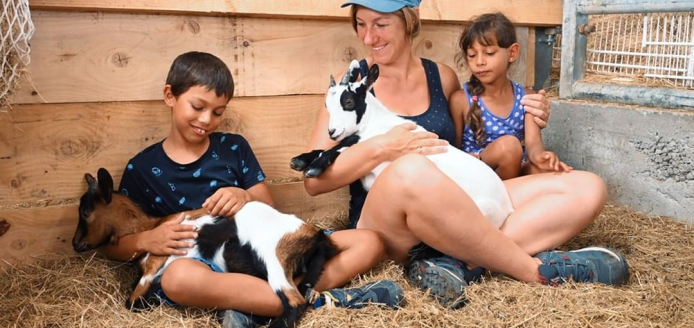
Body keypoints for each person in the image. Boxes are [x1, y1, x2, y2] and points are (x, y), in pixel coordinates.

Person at [303, 0, 629, 309]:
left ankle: (459, 263)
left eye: (381, 24)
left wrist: (535, 116)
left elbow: (464, 148)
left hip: (454, 205)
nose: (369, 36)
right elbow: (312, 181)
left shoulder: (441, 77)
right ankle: (533, 271)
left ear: (408, 21)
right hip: (390, 220)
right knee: (409, 169)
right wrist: (384, 148)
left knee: (587, 188)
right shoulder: (351, 89)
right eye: (360, 24)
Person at [103, 51, 403, 328]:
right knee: (179, 279)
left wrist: (244, 196)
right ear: (170, 96)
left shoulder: (233, 148)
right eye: (198, 107)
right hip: (201, 261)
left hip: (262, 246)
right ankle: (310, 300)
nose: (207, 120)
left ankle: (251, 305)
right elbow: (114, 244)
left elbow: (267, 205)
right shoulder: (141, 168)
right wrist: (148, 239)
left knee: (369, 242)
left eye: (218, 112)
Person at [451, 12, 572, 180]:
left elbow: (533, 144)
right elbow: (453, 148)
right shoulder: (461, 100)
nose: (479, 62)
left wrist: (540, 157)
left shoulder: (526, 97)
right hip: (475, 175)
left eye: (489, 53)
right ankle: (506, 200)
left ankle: (512, 196)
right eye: (472, 55)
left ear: (512, 53)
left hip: (514, 170)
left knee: (553, 172)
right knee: (510, 146)